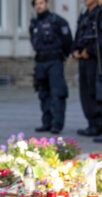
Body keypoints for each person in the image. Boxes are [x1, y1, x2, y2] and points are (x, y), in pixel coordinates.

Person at [30, 0, 73, 134]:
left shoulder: (58, 21)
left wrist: (63, 56)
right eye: (36, 3)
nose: (39, 6)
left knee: (57, 93)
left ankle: (57, 124)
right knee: (43, 93)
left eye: (41, 3)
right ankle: (46, 122)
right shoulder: (34, 23)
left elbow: (68, 41)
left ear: (47, 4)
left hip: (55, 61)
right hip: (40, 61)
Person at [74, 0, 102, 138]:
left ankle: (98, 125)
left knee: (95, 91)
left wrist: (89, 51)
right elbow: (78, 35)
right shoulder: (84, 15)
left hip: (95, 60)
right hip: (83, 59)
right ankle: (92, 124)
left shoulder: (99, 13)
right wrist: (75, 50)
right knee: (84, 92)